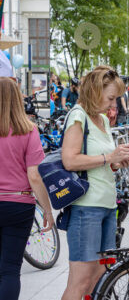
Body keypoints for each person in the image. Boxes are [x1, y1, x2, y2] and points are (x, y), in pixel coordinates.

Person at [61, 66, 129, 300]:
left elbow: (101, 162)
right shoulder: (78, 114)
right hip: (86, 208)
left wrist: (116, 162)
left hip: (107, 206)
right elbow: (70, 160)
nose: (113, 105)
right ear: (95, 90)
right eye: (110, 97)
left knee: (100, 277)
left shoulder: (102, 119)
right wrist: (108, 158)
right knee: (80, 282)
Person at [0, 77, 54, 300]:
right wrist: (48, 210)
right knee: (10, 269)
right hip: (18, 204)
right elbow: (34, 175)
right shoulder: (28, 129)